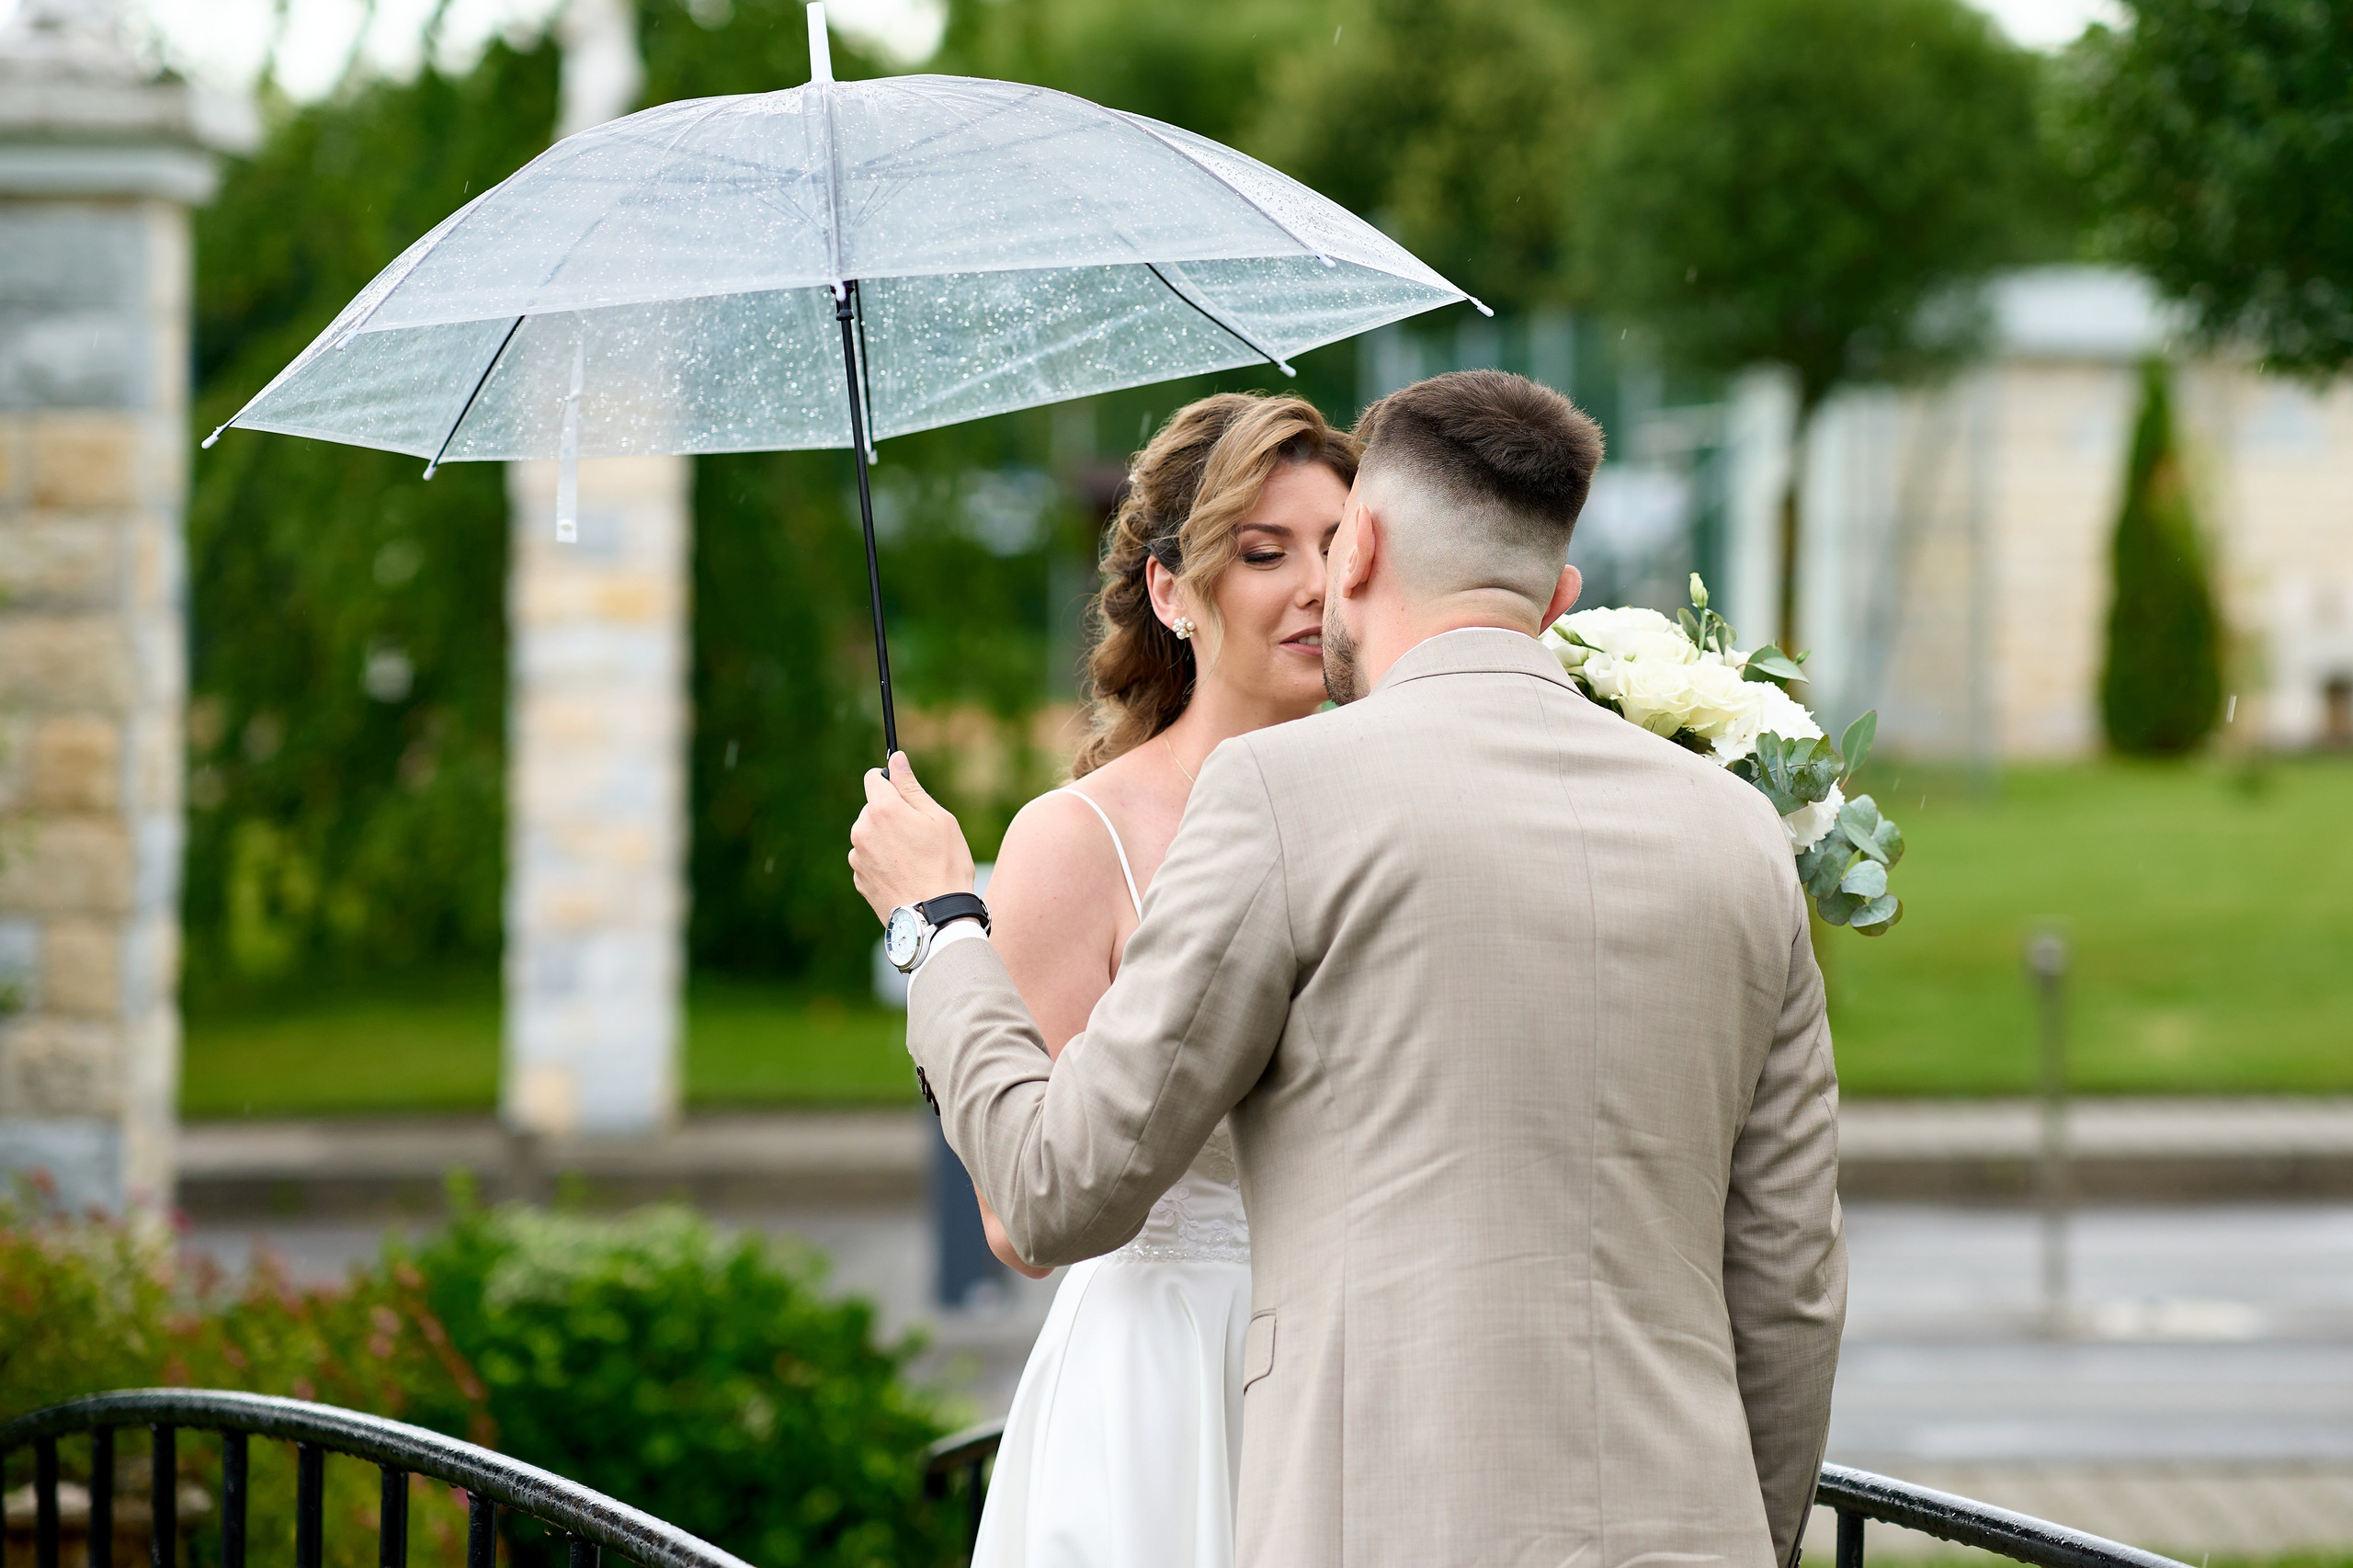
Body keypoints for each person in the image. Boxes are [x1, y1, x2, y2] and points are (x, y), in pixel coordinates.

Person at [852, 370, 1846, 1568]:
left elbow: (1055, 1188)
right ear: (1558, 592)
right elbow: (1790, 1286)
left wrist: (938, 925)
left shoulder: (1279, 799)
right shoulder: (1741, 835)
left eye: (1324, 542)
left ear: (1361, 545)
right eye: (1265, 549)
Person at [962, 392, 1361, 1568]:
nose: (1315, 586)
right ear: (1171, 591)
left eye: (1338, 546)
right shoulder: (1074, 840)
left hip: (1360, 1378)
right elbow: (1021, 1224)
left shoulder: (1394, 804)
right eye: (1264, 552)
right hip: (1161, 1386)